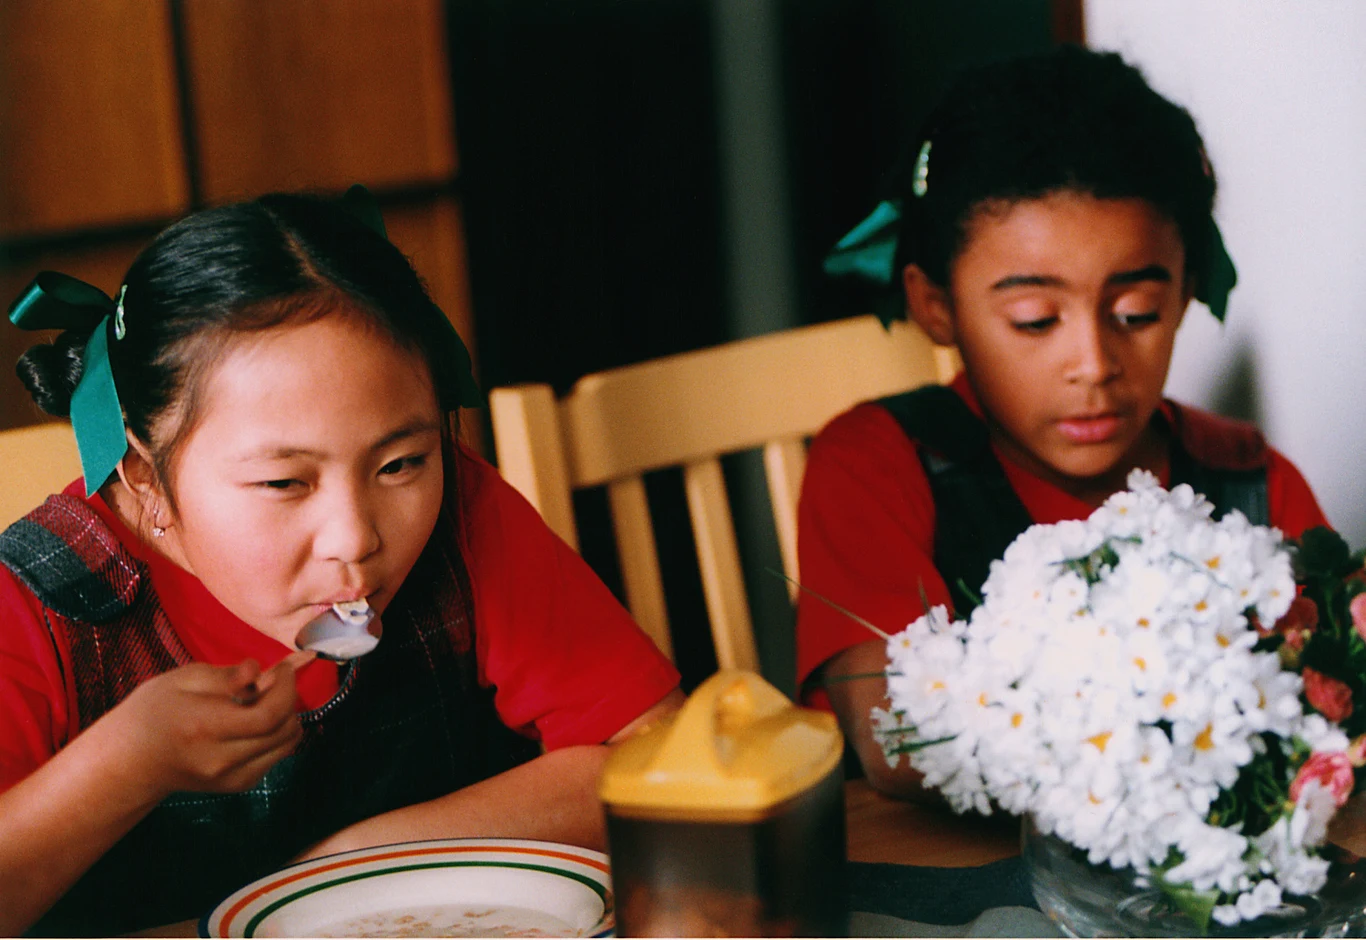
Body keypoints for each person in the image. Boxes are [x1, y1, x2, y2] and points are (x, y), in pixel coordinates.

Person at [0, 188, 684, 936]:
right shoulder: (33, 607)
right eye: (285, 482)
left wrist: (351, 866)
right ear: (142, 475)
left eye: (399, 463)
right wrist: (122, 766)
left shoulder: (463, 512)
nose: (355, 537)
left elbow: (657, 753)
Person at [796, 46, 1329, 801]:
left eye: (1135, 313)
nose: (1093, 363)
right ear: (936, 305)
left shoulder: (1250, 480)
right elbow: (903, 743)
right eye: (1034, 319)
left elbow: (1341, 694)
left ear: (1187, 289)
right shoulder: (879, 465)